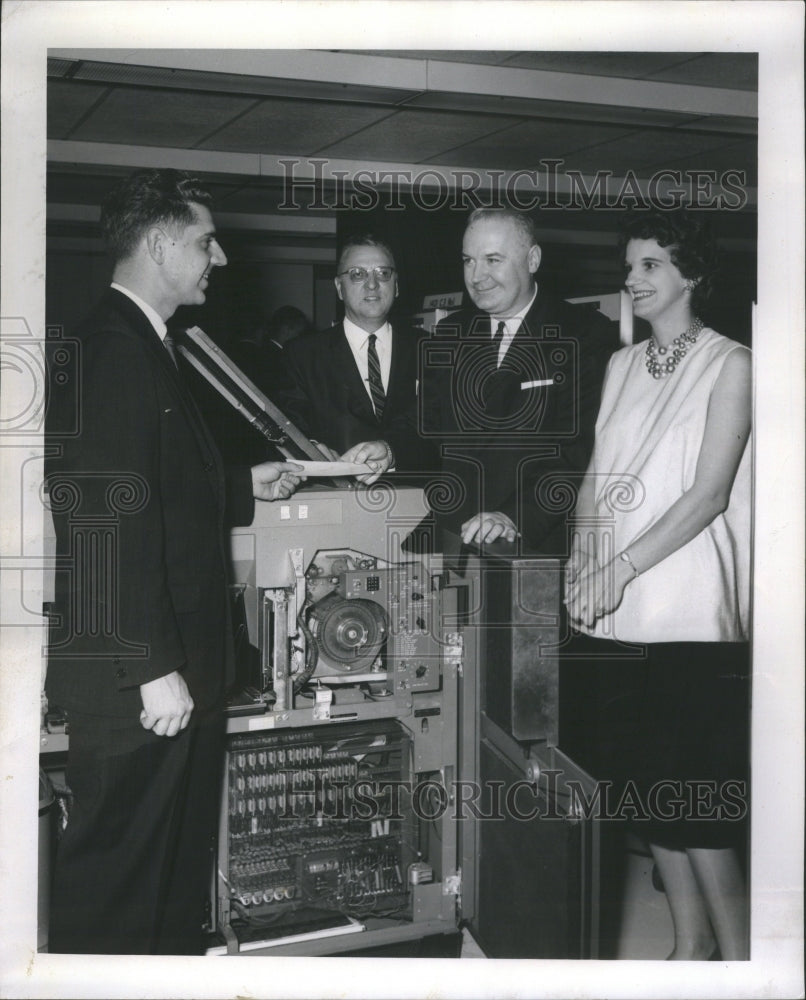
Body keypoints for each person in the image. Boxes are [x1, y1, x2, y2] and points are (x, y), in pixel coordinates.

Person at [44, 168, 306, 955]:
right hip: (144, 678)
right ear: (160, 245)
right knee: (122, 882)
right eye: (204, 241)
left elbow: (148, 485)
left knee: (168, 876)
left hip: (171, 671)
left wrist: (234, 483)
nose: (218, 258)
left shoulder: (142, 345)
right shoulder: (113, 350)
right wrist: (151, 663)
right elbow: (98, 519)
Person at [564, 209, 751, 960]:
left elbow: (706, 495)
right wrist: (583, 560)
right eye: (631, 265)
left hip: (687, 618)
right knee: (646, 794)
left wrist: (620, 566)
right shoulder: (621, 364)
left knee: (696, 807)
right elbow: (597, 478)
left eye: (650, 266)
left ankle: (742, 964)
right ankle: (688, 948)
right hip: (615, 614)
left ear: (691, 276)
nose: (632, 279)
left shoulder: (733, 363)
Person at [421, 207, 617, 553]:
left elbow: (579, 452)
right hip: (453, 539)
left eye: (493, 260)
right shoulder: (450, 333)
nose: (477, 276)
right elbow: (430, 433)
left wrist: (514, 516)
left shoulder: (584, 333)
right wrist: (385, 450)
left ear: (533, 259)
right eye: (468, 261)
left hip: (531, 542)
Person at [278, 233, 432, 483]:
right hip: (335, 500)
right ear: (339, 288)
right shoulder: (302, 354)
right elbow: (289, 423)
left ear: (397, 285)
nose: (372, 284)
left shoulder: (428, 348)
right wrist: (311, 450)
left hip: (418, 502)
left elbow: (439, 428)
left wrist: (393, 450)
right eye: (358, 274)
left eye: (383, 273)